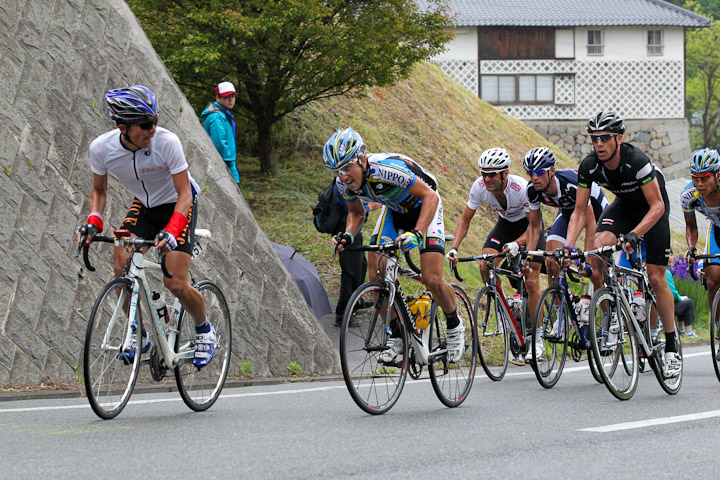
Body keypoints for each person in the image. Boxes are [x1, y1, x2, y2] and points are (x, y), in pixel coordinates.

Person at [78, 85, 215, 368]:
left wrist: (173, 229)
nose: (153, 128)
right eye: (145, 125)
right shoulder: (101, 148)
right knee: (121, 262)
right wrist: (93, 220)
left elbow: (185, 193)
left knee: (174, 283)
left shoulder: (167, 142)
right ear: (123, 127)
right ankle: (138, 333)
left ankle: (204, 329)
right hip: (144, 205)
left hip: (177, 205)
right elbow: (99, 191)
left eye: (155, 121)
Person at [323, 127, 465, 363]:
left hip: (424, 206)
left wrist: (418, 234)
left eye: (348, 167)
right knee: (376, 273)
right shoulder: (343, 183)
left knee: (431, 278)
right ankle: (398, 336)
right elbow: (357, 214)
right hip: (395, 210)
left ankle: (454, 325)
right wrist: (347, 236)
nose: (344, 176)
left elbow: (431, 197)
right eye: (338, 171)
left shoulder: (386, 170)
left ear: (361, 159)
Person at [563, 111, 680, 378]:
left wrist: (635, 234)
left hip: (653, 210)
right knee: (599, 246)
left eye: (604, 138)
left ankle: (671, 347)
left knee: (655, 277)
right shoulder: (590, 165)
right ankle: (613, 304)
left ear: (619, 138)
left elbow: (658, 205)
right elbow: (579, 212)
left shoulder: (636, 160)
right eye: (594, 139)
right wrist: (568, 248)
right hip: (626, 206)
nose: (599, 144)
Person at [446, 147, 544, 362]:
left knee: (531, 280)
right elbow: (465, 220)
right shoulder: (479, 187)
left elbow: (534, 225)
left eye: (492, 174)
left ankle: (537, 337)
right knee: (485, 264)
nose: (487, 179)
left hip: (529, 228)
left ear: (505, 174)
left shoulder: (521, 188)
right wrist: (454, 247)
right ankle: (506, 308)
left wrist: (518, 244)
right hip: (506, 225)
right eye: (484, 174)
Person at [523, 146, 608, 286]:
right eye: (530, 172)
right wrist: (529, 256)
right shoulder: (532, 190)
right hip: (568, 211)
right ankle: (558, 307)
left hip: (597, 210)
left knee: (594, 272)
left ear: (552, 171)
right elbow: (534, 225)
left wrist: (587, 258)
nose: (534, 177)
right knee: (551, 261)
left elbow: (590, 223)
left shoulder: (571, 184)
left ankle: (607, 306)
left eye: (539, 172)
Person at [682, 148, 720, 331]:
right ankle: (719, 327)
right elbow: (691, 226)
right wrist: (692, 248)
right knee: (713, 278)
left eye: (704, 178)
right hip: (716, 230)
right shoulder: (689, 196)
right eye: (695, 178)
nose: (699, 183)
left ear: (717, 175)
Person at [330, 180, 370, 327]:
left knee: (361, 266)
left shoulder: (343, 183)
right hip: (347, 230)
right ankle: (343, 315)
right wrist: (369, 207)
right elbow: (354, 211)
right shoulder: (343, 186)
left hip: (352, 231)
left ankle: (357, 302)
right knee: (350, 273)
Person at [201, 81, 240, 184]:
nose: (231, 99)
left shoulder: (224, 115)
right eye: (227, 96)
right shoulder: (217, 117)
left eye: (233, 96)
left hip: (227, 165)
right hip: (224, 167)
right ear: (218, 98)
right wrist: (230, 165)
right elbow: (220, 144)